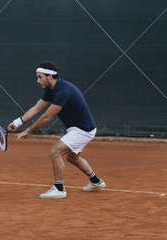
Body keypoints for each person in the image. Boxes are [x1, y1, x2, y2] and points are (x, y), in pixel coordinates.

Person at [8, 61, 106, 199]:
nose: (37, 80)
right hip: (78, 129)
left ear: (50, 76)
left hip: (83, 130)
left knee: (56, 151)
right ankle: (96, 182)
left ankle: (59, 189)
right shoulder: (51, 90)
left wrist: (27, 131)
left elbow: (46, 117)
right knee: (72, 158)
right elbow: (36, 108)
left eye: (40, 76)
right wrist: (17, 123)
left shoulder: (63, 91)